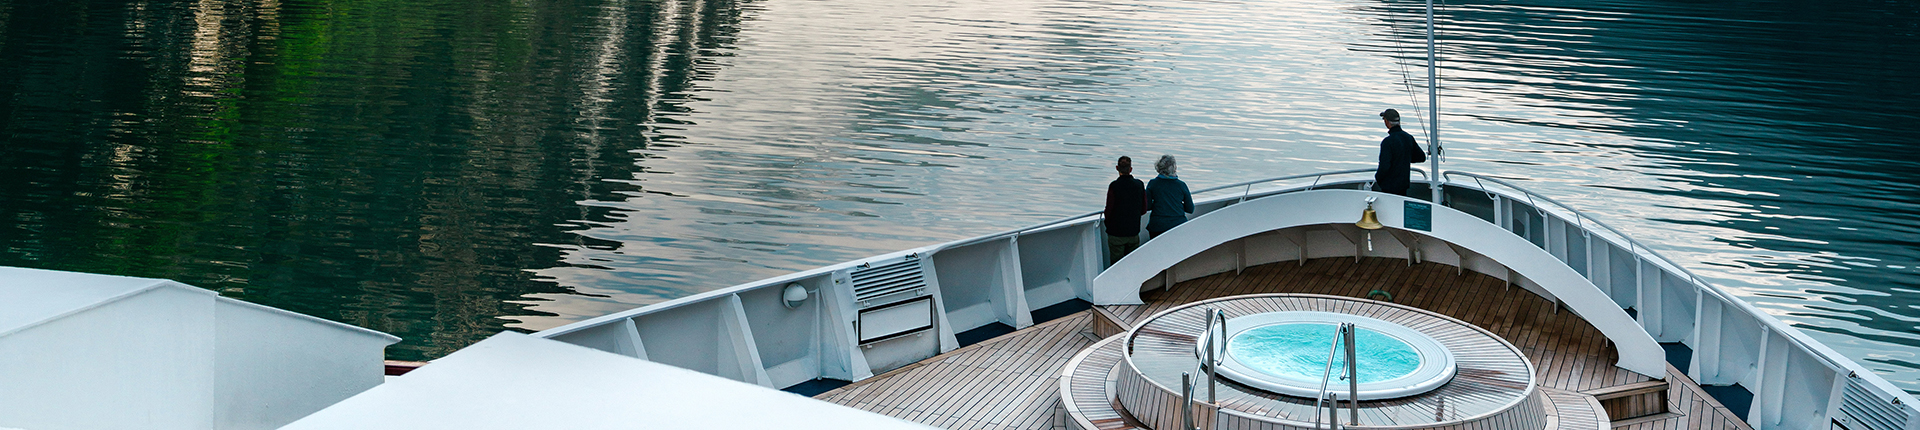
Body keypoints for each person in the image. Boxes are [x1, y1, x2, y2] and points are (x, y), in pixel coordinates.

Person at [1372, 108, 1427, 197]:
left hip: (1389, 186)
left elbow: (1384, 166)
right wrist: (1405, 157)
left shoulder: (1388, 142)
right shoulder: (1408, 138)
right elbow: (1421, 157)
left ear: (1386, 122)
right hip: (1403, 185)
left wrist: (1378, 177)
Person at [1103, 156, 1148, 264]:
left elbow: (1109, 210)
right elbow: (1144, 209)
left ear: (1117, 168)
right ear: (1130, 169)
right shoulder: (1139, 185)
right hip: (1133, 232)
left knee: (1116, 263)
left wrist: (1108, 224)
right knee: (1132, 262)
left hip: (1116, 233)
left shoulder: (1114, 186)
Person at [1145, 155, 1193, 239]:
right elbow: (1190, 209)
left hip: (1157, 226)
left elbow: (1147, 206)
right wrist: (1176, 205)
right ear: (1174, 168)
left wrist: (1159, 204)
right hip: (1178, 225)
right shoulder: (1181, 185)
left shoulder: (1153, 184)